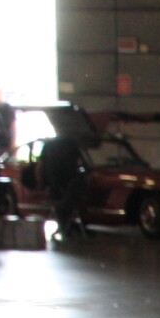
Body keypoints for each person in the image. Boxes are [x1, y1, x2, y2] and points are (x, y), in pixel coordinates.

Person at [36, 102, 97, 240]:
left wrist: (40, 184)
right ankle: (67, 227)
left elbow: (40, 165)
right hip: (68, 181)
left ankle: (65, 227)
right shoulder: (71, 145)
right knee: (68, 203)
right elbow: (82, 162)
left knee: (61, 204)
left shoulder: (50, 145)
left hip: (55, 183)